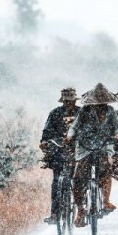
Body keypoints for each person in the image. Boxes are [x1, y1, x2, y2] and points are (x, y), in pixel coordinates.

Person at [66, 83, 118, 227]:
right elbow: (75, 126)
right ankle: (80, 210)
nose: (100, 105)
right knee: (78, 177)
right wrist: (70, 136)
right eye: (97, 103)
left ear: (106, 101)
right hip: (85, 146)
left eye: (102, 103)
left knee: (106, 170)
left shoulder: (111, 111)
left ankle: (105, 201)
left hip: (105, 144)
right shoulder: (84, 111)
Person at [40, 87, 80, 224]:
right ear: (63, 100)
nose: (69, 103)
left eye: (71, 100)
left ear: (75, 100)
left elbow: (87, 130)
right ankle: (55, 214)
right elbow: (47, 130)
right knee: (57, 182)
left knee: (79, 181)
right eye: (67, 100)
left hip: (78, 152)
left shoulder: (81, 113)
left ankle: (82, 209)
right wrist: (45, 141)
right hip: (59, 152)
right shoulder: (55, 113)